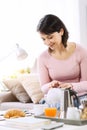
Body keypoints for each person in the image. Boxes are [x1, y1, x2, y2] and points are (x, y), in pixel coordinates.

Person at [37, 14, 87, 106]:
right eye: (43, 39)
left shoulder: (81, 51)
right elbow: (43, 88)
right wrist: (50, 85)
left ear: (61, 31)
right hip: (56, 99)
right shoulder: (42, 58)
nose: (47, 42)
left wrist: (71, 86)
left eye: (50, 37)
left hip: (79, 97)